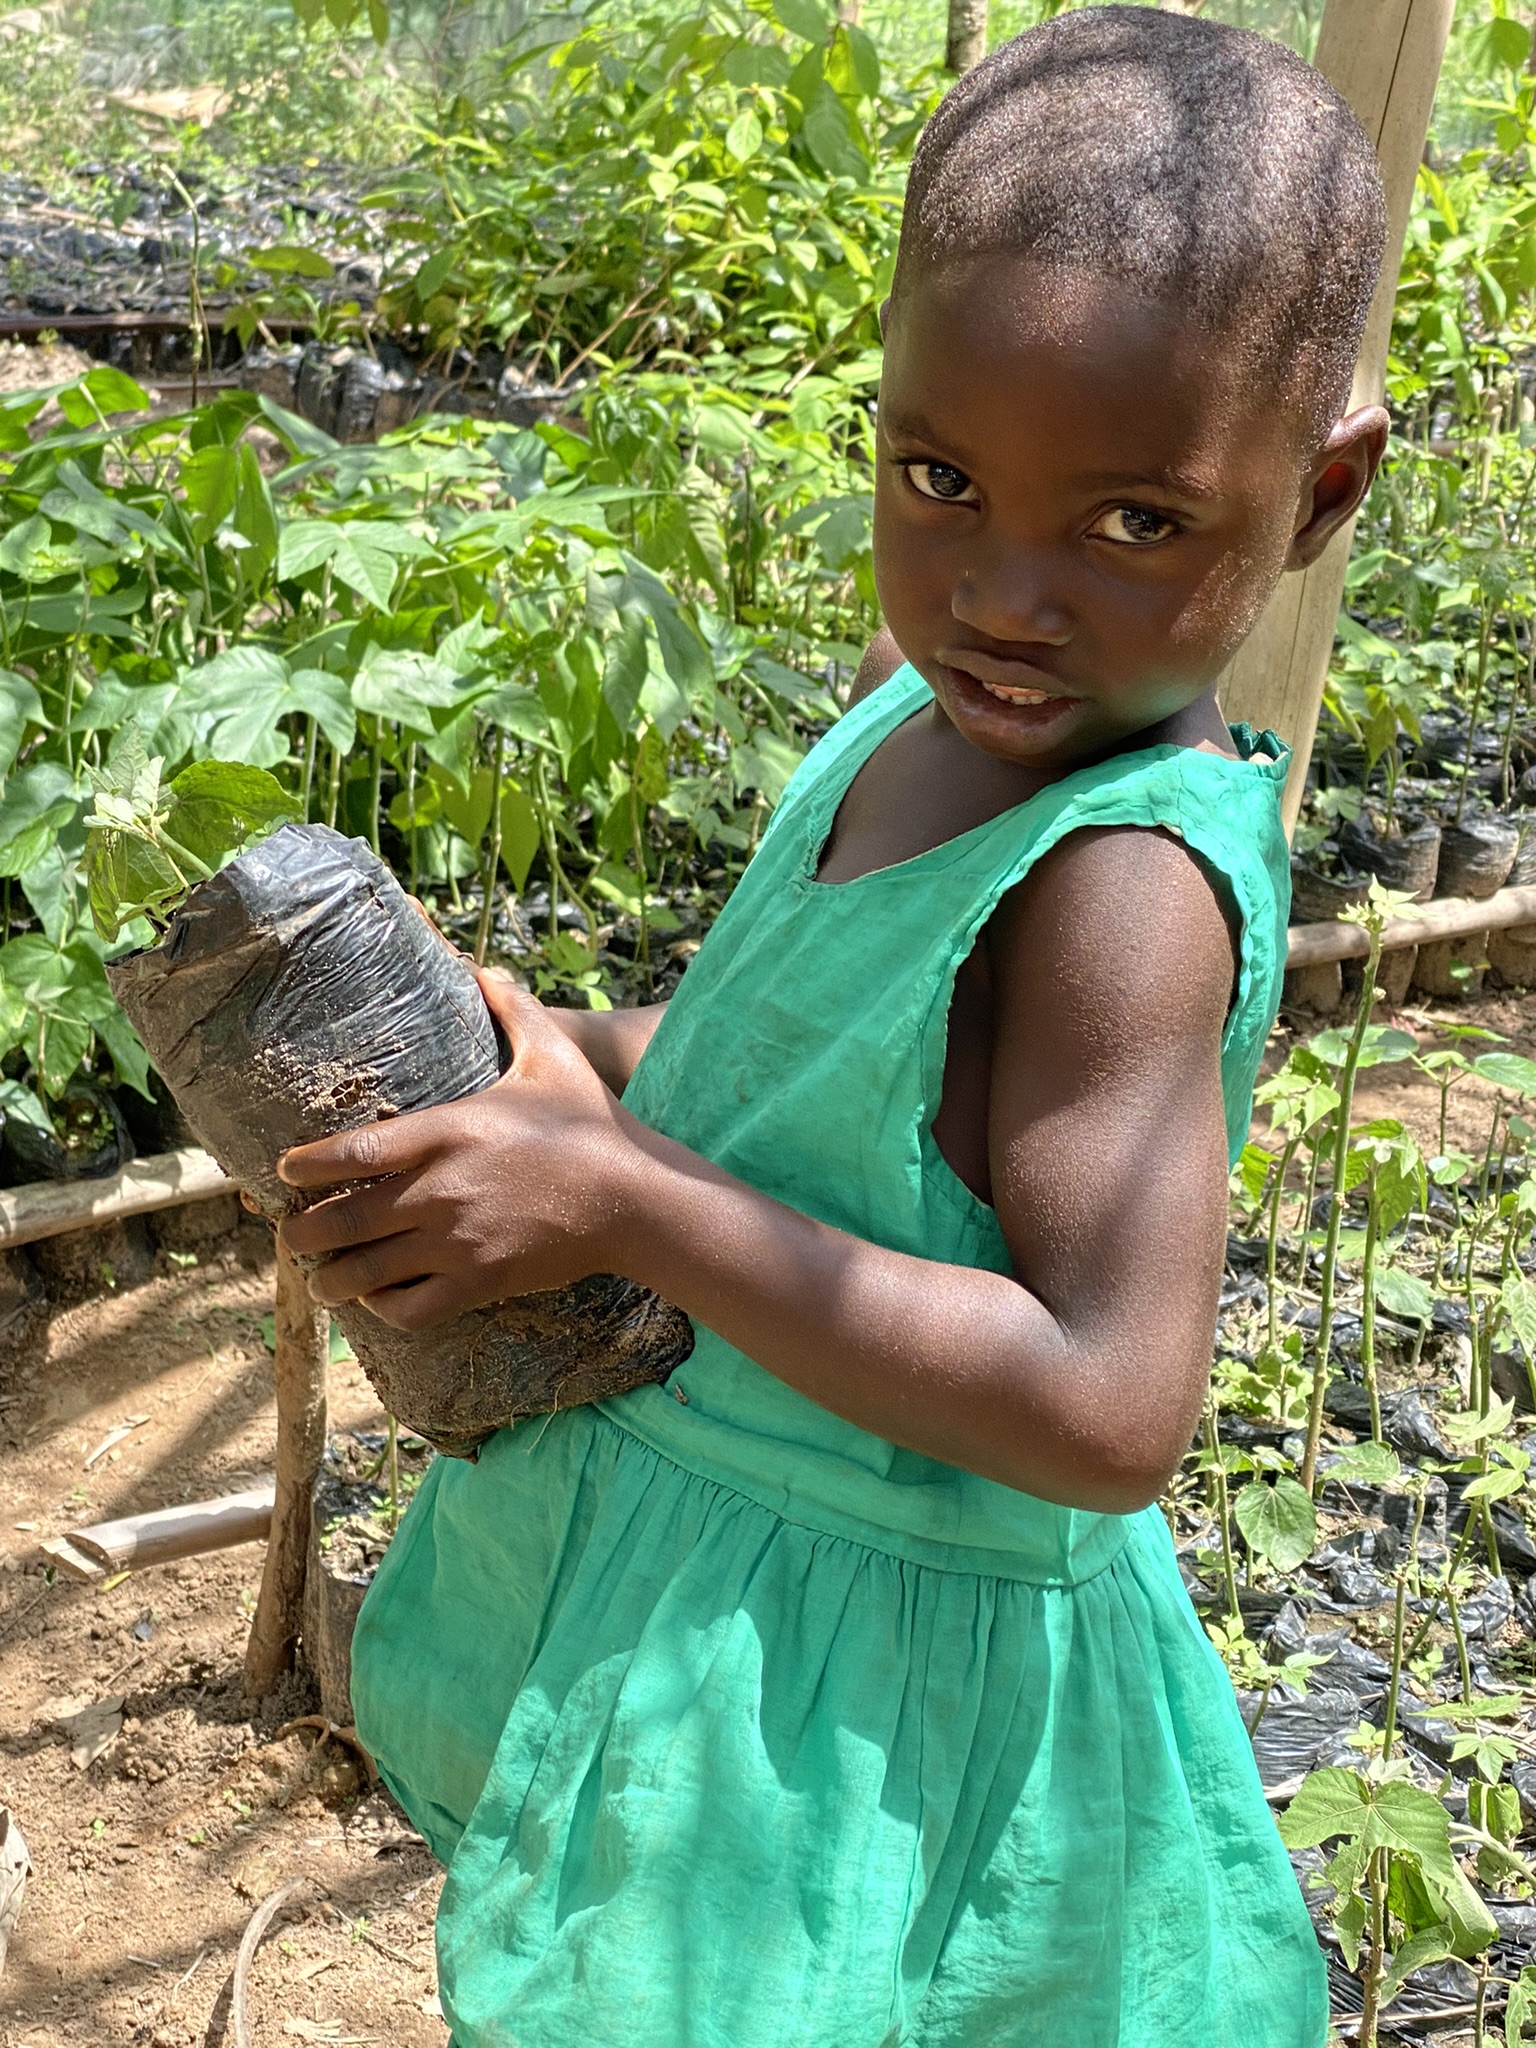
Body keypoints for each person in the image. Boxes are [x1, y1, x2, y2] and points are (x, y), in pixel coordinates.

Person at [277, 12, 1388, 2044]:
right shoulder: (914, 698)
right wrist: (580, 1064)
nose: (1004, 594)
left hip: (877, 1688)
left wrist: (624, 1207)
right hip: (737, 1597)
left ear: (1320, 494)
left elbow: (1106, 1406)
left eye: (1133, 520)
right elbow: (822, 1059)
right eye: (939, 477)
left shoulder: (1120, 888)